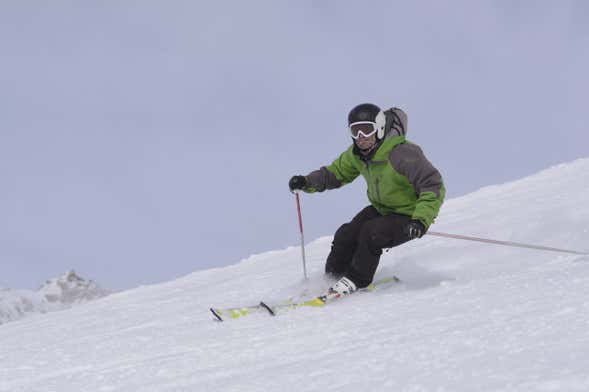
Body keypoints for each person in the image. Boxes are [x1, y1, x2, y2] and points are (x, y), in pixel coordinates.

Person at [289, 103, 445, 299]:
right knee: (346, 233)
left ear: (379, 128)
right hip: (382, 209)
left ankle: (357, 280)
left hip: (409, 215)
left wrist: (421, 220)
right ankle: (331, 279)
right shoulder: (357, 155)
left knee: (372, 233)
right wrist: (306, 182)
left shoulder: (402, 153)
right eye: (355, 131)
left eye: (366, 130)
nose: (361, 137)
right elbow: (335, 174)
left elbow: (433, 186)